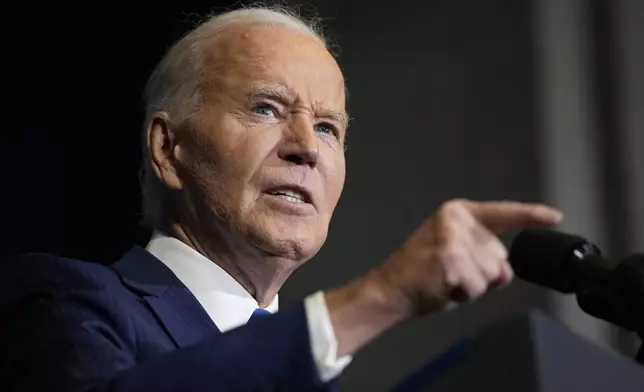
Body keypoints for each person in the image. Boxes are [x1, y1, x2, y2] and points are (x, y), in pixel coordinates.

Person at [0, 6, 563, 391]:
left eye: (327, 127)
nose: (305, 149)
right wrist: (381, 295)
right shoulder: (66, 303)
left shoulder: (312, 368)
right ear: (168, 149)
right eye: (267, 108)